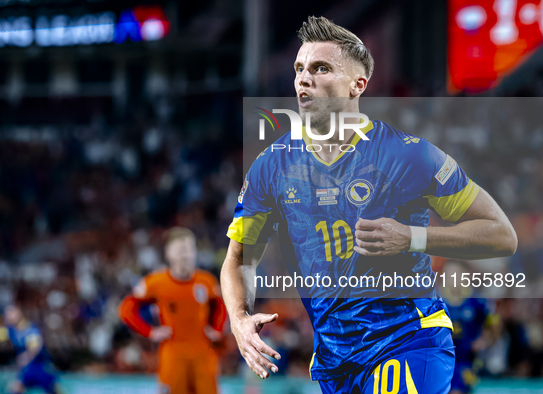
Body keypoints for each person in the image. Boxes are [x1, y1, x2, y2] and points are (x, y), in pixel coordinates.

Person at [220, 16, 517, 394]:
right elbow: (239, 258)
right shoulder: (271, 166)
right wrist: (240, 318)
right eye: (299, 69)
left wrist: (412, 237)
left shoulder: (408, 156)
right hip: (335, 362)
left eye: (320, 68)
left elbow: (501, 234)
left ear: (357, 85)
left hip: (409, 341)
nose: (303, 79)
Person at [119, 227, 227, 394]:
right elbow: (126, 309)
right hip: (173, 353)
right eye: (180, 249)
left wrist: (217, 329)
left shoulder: (206, 281)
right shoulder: (156, 282)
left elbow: (220, 305)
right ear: (169, 253)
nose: (186, 254)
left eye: (190, 249)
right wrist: (150, 332)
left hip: (203, 353)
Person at [0, 305, 61, 394]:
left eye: (10, 313)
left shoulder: (30, 329)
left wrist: (27, 355)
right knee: (16, 389)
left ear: (19, 313)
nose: (7, 316)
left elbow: (35, 347)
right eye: (6, 314)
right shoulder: (11, 330)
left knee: (52, 390)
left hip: (41, 367)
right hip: (26, 369)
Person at [441, 260, 496, 394]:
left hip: (466, 362)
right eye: (448, 274)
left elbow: (493, 327)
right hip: (441, 359)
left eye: (456, 274)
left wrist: (484, 341)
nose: (452, 278)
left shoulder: (477, 301)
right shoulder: (437, 301)